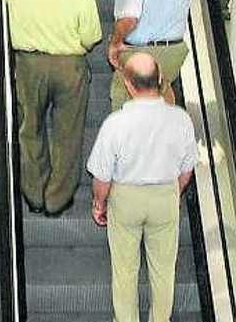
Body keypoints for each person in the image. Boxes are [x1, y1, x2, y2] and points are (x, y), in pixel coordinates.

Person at [0, 0, 101, 215]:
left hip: (29, 66)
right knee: (68, 133)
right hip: (70, 67)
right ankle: (57, 198)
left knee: (30, 128)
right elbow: (91, 38)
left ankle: (34, 192)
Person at [86, 51, 199, 322]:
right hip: (164, 197)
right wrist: (174, 193)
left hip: (126, 199)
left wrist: (99, 204)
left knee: (125, 271)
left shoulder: (116, 124)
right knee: (163, 271)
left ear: (128, 84)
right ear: (160, 79)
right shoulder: (180, 119)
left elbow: (101, 176)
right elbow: (187, 170)